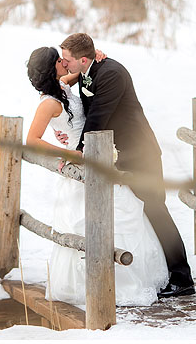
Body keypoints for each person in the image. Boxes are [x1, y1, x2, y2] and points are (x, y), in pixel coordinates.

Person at [26, 46, 170, 306]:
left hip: (99, 156)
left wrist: (95, 56)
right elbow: (32, 140)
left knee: (122, 211)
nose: (64, 63)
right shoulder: (48, 103)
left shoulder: (64, 84)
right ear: (52, 68)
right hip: (81, 161)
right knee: (87, 222)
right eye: (60, 61)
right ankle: (99, 284)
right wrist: (70, 155)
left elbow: (83, 70)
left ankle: (131, 276)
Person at [59, 33, 195, 299]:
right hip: (118, 155)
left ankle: (182, 278)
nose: (65, 64)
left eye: (67, 60)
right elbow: (79, 98)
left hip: (140, 154)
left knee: (156, 210)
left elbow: (98, 116)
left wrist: (78, 150)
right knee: (137, 213)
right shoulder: (88, 69)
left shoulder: (112, 74)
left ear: (83, 59)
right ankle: (156, 271)